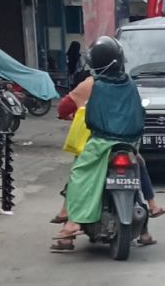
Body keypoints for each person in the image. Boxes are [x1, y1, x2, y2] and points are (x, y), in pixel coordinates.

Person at [51, 36, 152, 246]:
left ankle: (73, 223)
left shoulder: (92, 84)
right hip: (131, 142)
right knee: (139, 166)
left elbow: (63, 108)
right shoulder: (130, 83)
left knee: (79, 173)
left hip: (101, 142)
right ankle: (148, 219)